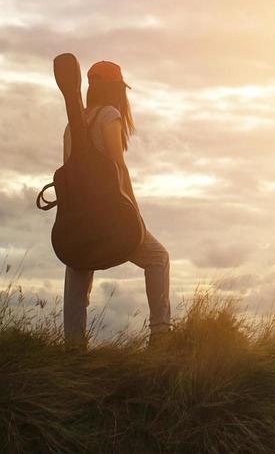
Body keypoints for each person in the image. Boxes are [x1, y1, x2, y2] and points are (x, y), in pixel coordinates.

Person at [62, 60, 172, 345]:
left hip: (79, 217)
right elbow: (118, 168)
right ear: (115, 89)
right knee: (158, 258)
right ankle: (160, 334)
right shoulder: (110, 116)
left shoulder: (72, 125)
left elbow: (70, 174)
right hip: (110, 216)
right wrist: (133, 211)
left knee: (77, 266)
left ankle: (73, 347)